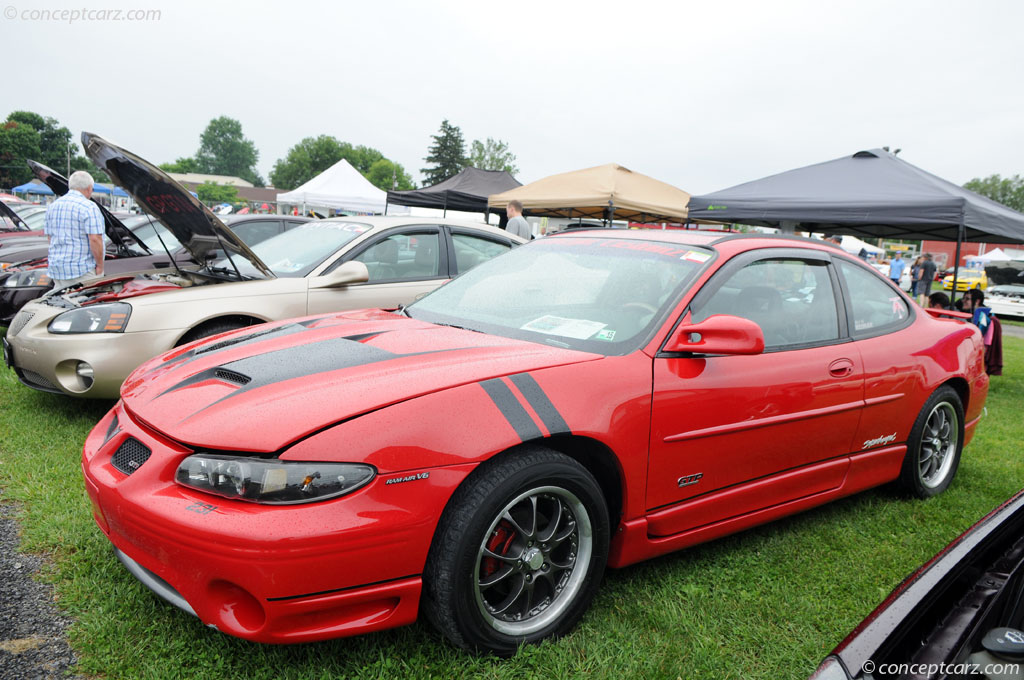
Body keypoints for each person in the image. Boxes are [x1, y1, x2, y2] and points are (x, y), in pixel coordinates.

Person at [45, 170, 104, 288]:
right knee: (84, 305)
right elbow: (95, 239)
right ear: (89, 188)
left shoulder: (53, 206)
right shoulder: (89, 207)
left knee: (61, 304)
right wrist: (100, 265)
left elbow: (50, 238)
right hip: (81, 270)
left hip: (57, 269)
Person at [966, 288, 1002, 375]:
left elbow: (979, 338)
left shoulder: (983, 317)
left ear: (977, 301)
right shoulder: (980, 314)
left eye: (967, 299)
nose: (964, 301)